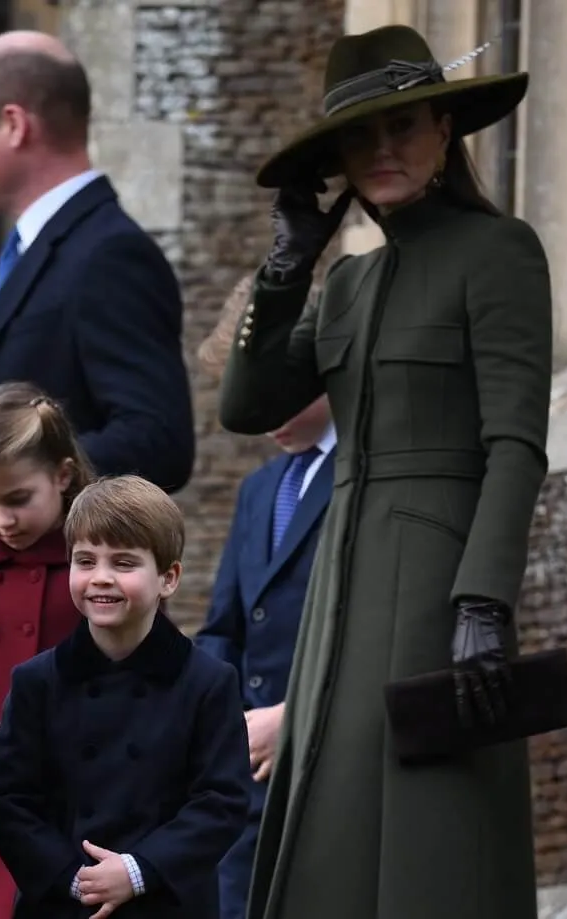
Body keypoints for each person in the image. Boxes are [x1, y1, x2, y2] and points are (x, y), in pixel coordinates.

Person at [218, 25, 552, 919]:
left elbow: (515, 444)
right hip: (343, 587)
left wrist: (484, 601)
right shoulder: (349, 285)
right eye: (360, 138)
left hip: (436, 587)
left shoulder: (500, 252)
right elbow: (246, 404)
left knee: (428, 833)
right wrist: (290, 262)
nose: (382, 151)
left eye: (402, 127)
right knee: (331, 828)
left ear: (445, 129)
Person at [0, 475, 250, 919]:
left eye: (124, 564)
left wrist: (138, 870)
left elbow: (222, 803)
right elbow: (7, 800)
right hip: (61, 905)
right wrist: (72, 877)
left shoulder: (208, 682)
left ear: (169, 577)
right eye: (85, 561)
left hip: (165, 903)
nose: (100, 578)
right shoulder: (36, 682)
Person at [0, 30, 195, 493]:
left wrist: (24, 478)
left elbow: (159, 439)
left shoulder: (110, 256)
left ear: (14, 124)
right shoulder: (26, 249)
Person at [193, 275, 335, 919]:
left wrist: (297, 715)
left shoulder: (371, 472)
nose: (260, 414)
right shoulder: (259, 490)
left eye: (274, 390)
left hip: (328, 767)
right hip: (243, 784)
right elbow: (225, 627)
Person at [0, 380, 91, 919]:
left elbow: (148, 683)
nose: (2, 520)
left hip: (72, 804)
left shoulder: (98, 566)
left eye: (18, 500)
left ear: (63, 476)